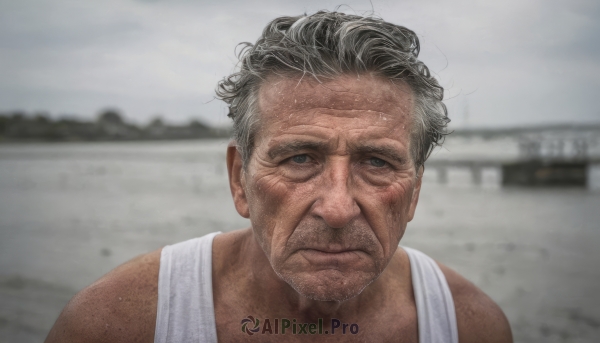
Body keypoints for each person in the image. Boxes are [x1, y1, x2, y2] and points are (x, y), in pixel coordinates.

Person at [46, 11, 512, 343]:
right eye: (299, 159)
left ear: (414, 193)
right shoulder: (119, 323)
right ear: (238, 179)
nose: (335, 208)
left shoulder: (468, 326)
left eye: (377, 163)